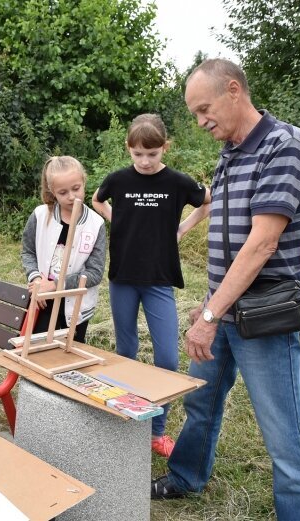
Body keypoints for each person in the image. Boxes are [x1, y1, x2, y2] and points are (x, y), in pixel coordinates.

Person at [150, 59, 300, 520]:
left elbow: (262, 242)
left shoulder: (283, 144)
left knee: (285, 438)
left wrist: (211, 316)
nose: (200, 121)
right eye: (194, 113)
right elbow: (228, 236)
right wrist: (210, 306)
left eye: (204, 108)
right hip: (223, 309)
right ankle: (186, 476)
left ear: (234, 90)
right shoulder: (230, 151)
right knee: (200, 401)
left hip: (264, 316)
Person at [92, 114, 211, 458]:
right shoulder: (117, 179)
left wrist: (183, 228)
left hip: (159, 280)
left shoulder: (177, 182)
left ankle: (157, 432)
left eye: (152, 154)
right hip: (123, 278)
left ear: (164, 149)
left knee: (167, 359)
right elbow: (97, 200)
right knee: (125, 353)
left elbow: (208, 201)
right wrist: (119, 219)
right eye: (138, 155)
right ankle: (124, 419)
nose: (145, 162)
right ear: (129, 150)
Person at [20, 156, 106, 342]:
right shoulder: (40, 215)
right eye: (63, 192)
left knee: (69, 354)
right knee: (37, 350)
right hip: (42, 300)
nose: (72, 196)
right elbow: (28, 252)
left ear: (84, 181)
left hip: (76, 307)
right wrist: (35, 278)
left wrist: (55, 285)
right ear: (52, 191)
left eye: (76, 188)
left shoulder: (96, 224)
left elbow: (95, 272)